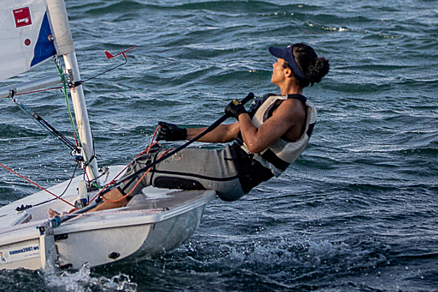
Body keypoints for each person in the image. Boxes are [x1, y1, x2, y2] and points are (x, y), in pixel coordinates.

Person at [93, 43, 330, 210]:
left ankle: (90, 213)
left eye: (277, 62)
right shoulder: (281, 104)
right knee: (151, 155)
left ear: (287, 71)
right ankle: (106, 203)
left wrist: (241, 114)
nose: (273, 65)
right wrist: (180, 133)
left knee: (145, 166)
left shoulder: (293, 109)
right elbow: (228, 132)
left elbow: (254, 143)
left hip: (233, 172)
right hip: (228, 165)